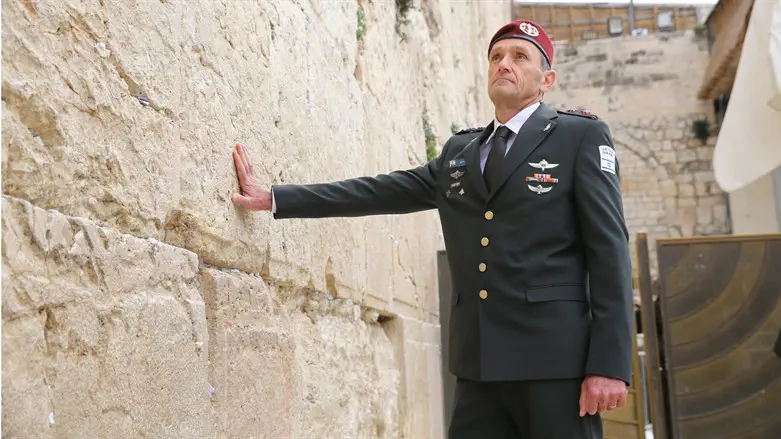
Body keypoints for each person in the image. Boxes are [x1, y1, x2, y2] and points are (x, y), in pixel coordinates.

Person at [230, 19, 633, 439]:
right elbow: (378, 192)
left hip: (556, 367)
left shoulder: (579, 136)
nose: (503, 65)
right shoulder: (462, 149)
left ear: (546, 78)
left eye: (519, 57)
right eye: (496, 57)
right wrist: (275, 197)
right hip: (478, 368)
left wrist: (608, 364)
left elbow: (610, 252)